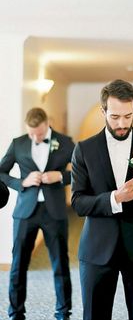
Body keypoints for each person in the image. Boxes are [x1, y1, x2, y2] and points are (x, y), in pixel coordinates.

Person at [71, 79, 133, 320]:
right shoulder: (84, 149)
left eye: (128, 116)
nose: (122, 123)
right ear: (103, 111)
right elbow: (78, 202)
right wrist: (115, 198)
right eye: (115, 117)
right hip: (97, 248)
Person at [0, 108, 74, 320]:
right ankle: (15, 312)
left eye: (39, 134)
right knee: (18, 264)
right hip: (25, 212)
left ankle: (63, 311)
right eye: (32, 134)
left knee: (60, 262)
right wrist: (21, 182)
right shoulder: (18, 143)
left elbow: (83, 170)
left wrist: (59, 176)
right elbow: (1, 172)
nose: (35, 138)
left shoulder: (66, 142)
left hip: (55, 212)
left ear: (47, 124)